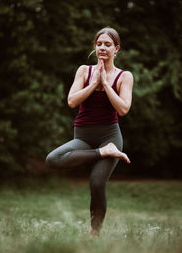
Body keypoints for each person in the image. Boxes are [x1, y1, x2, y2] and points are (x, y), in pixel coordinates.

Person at [46, 27, 133, 236]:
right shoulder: (84, 71)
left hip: (109, 135)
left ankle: (95, 234)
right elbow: (71, 101)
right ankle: (103, 152)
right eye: (99, 44)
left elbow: (123, 109)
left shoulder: (124, 76)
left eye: (108, 44)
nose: (102, 48)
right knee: (52, 159)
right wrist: (94, 83)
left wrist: (106, 84)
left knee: (96, 183)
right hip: (83, 137)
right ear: (95, 46)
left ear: (116, 49)